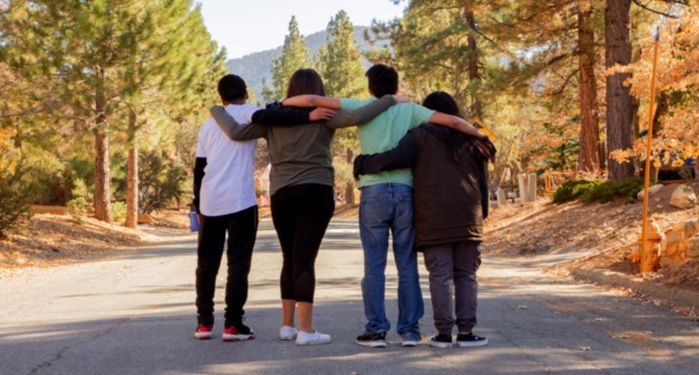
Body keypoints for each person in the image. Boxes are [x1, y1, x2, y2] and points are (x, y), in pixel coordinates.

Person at [282, 64, 486, 348]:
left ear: (370, 88)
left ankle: (376, 330)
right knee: (407, 264)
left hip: (373, 192)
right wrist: (481, 136)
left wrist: (281, 103)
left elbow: (312, 101)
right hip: (405, 192)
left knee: (374, 265)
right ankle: (411, 331)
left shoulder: (363, 107)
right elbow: (452, 122)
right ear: (396, 86)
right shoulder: (411, 110)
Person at [209, 68, 401, 346]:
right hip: (316, 190)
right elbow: (361, 115)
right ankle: (306, 330)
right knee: (305, 259)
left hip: (281, 193)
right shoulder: (324, 114)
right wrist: (389, 100)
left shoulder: (274, 119)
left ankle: (287, 326)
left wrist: (218, 109)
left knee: (290, 257)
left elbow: (236, 132)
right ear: (316, 90)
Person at [192, 74, 330, 342]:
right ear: (246, 92)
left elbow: (199, 169)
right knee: (238, 263)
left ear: (221, 97)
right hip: (240, 201)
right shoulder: (250, 112)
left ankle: (204, 324)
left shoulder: (208, 125)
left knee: (206, 264)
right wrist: (309, 117)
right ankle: (233, 325)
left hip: (209, 201)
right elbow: (281, 118)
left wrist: (197, 203)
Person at [353, 91, 495, 349]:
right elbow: (482, 181)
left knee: (440, 275)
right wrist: (482, 213)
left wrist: (363, 163)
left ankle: (442, 334)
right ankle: (466, 333)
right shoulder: (473, 138)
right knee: (466, 274)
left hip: (433, 217)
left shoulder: (419, 136)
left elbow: (392, 159)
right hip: (468, 216)